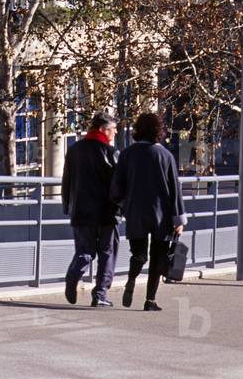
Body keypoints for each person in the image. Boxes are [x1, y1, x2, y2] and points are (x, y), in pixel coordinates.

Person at [111, 112, 187, 312]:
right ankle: (150, 300)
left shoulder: (127, 154)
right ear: (158, 131)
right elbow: (175, 189)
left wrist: (124, 204)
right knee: (158, 257)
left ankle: (131, 278)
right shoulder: (165, 156)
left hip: (135, 211)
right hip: (161, 213)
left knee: (139, 254)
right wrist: (178, 219)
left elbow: (116, 187)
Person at [62, 112, 120, 307]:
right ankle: (100, 294)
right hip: (106, 212)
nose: (116, 132)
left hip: (80, 210)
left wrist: (67, 205)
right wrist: (121, 208)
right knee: (107, 252)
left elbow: (67, 180)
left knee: (85, 251)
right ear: (103, 130)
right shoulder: (110, 152)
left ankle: (73, 275)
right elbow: (117, 185)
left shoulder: (74, 150)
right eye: (113, 129)